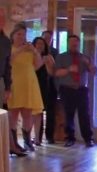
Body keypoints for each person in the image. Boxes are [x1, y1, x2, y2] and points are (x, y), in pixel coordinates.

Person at [54, 34, 96, 148]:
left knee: (84, 115)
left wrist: (88, 64)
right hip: (67, 89)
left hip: (81, 89)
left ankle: (88, 139)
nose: (74, 44)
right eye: (72, 42)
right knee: (68, 115)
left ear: (79, 43)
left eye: (76, 42)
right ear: (68, 43)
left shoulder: (84, 57)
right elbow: (56, 73)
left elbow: (93, 71)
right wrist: (68, 69)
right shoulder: (61, 57)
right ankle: (70, 138)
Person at [8, 23, 44, 153]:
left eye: (23, 35)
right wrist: (20, 50)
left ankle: (28, 141)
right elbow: (8, 61)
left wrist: (34, 51)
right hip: (14, 83)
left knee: (27, 114)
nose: (22, 37)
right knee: (13, 113)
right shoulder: (9, 48)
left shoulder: (29, 50)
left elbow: (39, 64)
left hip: (29, 83)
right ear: (13, 36)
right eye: (19, 34)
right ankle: (13, 143)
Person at [0, 9, 25, 157]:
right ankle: (11, 146)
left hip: (1, 81)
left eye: (2, 18)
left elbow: (7, 65)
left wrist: (8, 87)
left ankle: (10, 146)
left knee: (3, 116)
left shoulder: (5, 42)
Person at [32, 37, 55, 145]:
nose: (40, 45)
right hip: (32, 85)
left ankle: (38, 138)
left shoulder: (49, 56)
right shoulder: (31, 56)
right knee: (31, 112)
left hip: (44, 85)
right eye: (38, 43)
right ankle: (30, 137)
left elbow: (51, 73)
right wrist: (41, 62)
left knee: (40, 111)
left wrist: (47, 63)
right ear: (34, 45)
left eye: (42, 43)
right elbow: (32, 69)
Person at [41, 30, 59, 144]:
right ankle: (37, 136)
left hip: (51, 84)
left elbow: (56, 68)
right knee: (37, 111)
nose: (48, 40)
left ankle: (49, 136)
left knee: (51, 111)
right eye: (46, 37)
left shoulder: (55, 52)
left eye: (50, 38)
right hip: (38, 83)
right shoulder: (36, 50)